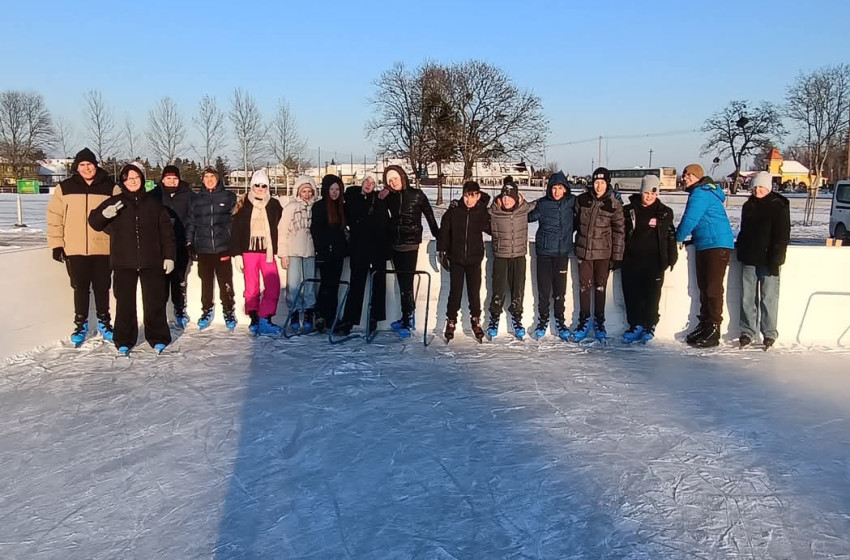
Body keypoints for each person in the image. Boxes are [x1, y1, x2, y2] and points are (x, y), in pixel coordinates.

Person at [89, 163, 175, 355]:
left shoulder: (154, 204)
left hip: (152, 261)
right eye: (128, 178)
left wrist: (169, 256)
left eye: (136, 178)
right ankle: (124, 339)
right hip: (123, 262)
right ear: (123, 181)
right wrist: (105, 214)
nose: (132, 181)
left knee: (154, 301)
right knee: (125, 303)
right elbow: (94, 221)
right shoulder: (116, 202)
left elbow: (166, 233)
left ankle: (158, 337)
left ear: (142, 180)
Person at [46, 147, 120, 346]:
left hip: (103, 248)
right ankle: (81, 324)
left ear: (96, 165)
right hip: (75, 248)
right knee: (80, 288)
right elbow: (55, 217)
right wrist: (57, 244)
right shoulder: (65, 188)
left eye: (90, 164)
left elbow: (121, 218)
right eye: (82, 165)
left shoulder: (110, 188)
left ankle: (105, 322)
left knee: (103, 287)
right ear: (77, 168)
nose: (86, 168)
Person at [676, 163, 735, 348]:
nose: (685, 177)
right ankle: (705, 324)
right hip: (705, 243)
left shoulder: (701, 193)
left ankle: (714, 328)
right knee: (704, 287)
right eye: (684, 174)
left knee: (712, 288)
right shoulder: (700, 192)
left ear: (698, 177)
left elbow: (690, 219)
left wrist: (676, 238)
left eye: (689, 175)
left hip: (717, 245)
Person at [379, 165, 439, 338]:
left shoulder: (417, 195)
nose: (393, 182)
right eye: (390, 181)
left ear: (402, 177)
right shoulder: (389, 197)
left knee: (406, 283)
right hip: (394, 244)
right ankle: (406, 316)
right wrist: (381, 195)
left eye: (395, 179)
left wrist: (438, 236)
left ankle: (408, 318)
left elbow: (429, 216)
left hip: (410, 244)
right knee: (401, 282)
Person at [735, 171, 790, 350]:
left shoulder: (778, 206)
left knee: (769, 298)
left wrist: (776, 258)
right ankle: (747, 331)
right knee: (747, 297)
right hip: (750, 257)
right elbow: (743, 231)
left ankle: (769, 332)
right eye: (755, 187)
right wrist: (741, 249)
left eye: (761, 187)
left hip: (769, 260)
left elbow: (782, 236)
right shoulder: (748, 206)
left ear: (768, 187)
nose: (757, 190)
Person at [620, 175, 678, 344]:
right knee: (632, 295)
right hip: (631, 260)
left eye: (652, 194)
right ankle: (635, 325)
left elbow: (670, 236)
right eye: (646, 193)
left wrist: (671, 257)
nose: (649, 197)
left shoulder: (665, 212)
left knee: (652, 295)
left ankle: (649, 325)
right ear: (641, 192)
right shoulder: (629, 210)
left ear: (657, 194)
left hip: (654, 262)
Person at [573, 167, 625, 342]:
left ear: (607, 183)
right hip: (583, 252)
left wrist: (617, 256)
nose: (598, 186)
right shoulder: (582, 200)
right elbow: (573, 222)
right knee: (584, 287)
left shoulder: (614, 204)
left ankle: (599, 321)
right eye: (596, 182)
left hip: (603, 253)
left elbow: (619, 231)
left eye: (602, 183)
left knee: (600, 288)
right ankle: (584, 320)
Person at [229, 170, 283, 335]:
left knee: (273, 285)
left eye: (263, 185)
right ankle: (254, 317)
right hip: (248, 251)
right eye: (257, 185)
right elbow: (236, 230)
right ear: (252, 186)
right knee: (251, 288)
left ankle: (265, 316)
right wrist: (237, 254)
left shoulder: (274, 205)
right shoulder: (244, 204)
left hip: (267, 251)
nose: (260, 188)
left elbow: (280, 226)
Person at [437, 181, 491, 342]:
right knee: (455, 292)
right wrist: (442, 250)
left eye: (473, 196)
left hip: (474, 259)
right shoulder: (454, 210)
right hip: (457, 258)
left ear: (478, 196)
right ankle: (451, 320)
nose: (469, 199)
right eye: (467, 195)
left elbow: (491, 228)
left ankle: (475, 320)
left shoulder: (481, 212)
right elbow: (444, 230)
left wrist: (483, 204)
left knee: (474, 293)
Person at [336, 172, 388, 335]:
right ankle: (349, 320)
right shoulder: (352, 196)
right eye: (367, 181)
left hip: (377, 249)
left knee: (378, 285)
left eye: (372, 183)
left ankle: (374, 318)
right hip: (359, 248)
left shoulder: (378, 200)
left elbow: (383, 223)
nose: (368, 185)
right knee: (356, 285)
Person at [186, 167, 237, 330]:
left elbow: (234, 219)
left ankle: (229, 310)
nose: (209, 179)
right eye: (206, 177)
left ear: (217, 179)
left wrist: (231, 239)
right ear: (202, 179)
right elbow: (191, 222)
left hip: (223, 247)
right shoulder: (196, 199)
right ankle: (206, 310)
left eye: (212, 177)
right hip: (204, 248)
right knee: (206, 282)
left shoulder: (228, 197)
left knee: (226, 282)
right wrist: (189, 241)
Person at [528, 171, 576, 340]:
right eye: (554, 188)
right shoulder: (543, 204)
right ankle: (542, 320)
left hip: (562, 253)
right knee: (544, 290)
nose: (556, 191)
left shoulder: (572, 203)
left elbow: (587, 206)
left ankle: (560, 321)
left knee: (559, 291)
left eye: (560, 188)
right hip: (544, 252)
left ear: (565, 189)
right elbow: (527, 216)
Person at [486, 180, 535, 339]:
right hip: (501, 256)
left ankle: (517, 319)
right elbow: (473, 210)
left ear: (516, 198)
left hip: (519, 256)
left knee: (518, 290)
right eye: (504, 197)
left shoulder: (524, 210)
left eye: (510, 197)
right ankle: (494, 318)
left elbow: (544, 204)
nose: (506, 200)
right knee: (498, 290)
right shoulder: (493, 212)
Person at [150, 165, 193, 327]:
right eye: (168, 178)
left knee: (179, 279)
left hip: (181, 244)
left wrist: (189, 239)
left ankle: (179, 308)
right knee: (160, 281)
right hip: (160, 246)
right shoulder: (154, 195)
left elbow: (192, 219)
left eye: (175, 178)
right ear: (162, 179)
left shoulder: (188, 195)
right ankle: (159, 312)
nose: (172, 181)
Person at [278, 175, 318, 332]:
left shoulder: (315, 207)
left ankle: (309, 311)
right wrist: (283, 253)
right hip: (293, 250)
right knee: (294, 284)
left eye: (309, 191)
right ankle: (294, 310)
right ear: (298, 192)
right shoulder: (291, 208)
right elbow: (282, 230)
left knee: (309, 283)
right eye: (304, 191)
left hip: (310, 251)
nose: (307, 194)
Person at [311, 174, 349, 333]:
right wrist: (321, 249)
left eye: (337, 189)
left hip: (338, 253)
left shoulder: (341, 207)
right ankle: (322, 314)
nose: (335, 192)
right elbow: (316, 230)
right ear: (326, 190)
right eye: (332, 189)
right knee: (326, 284)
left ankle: (330, 316)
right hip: (326, 252)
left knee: (334, 286)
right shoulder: (319, 207)